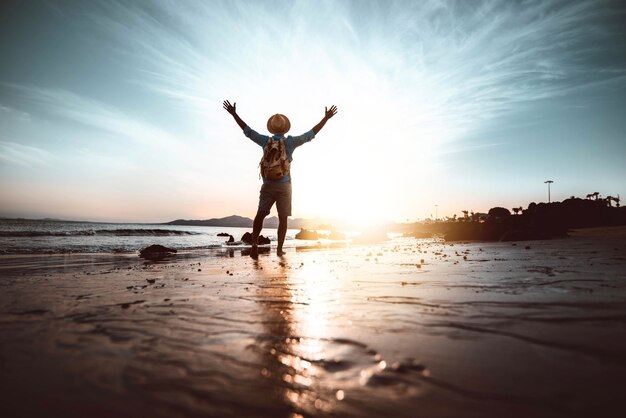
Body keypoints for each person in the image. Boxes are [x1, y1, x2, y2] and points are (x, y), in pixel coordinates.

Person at [223, 100, 338, 257]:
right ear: (285, 128)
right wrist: (326, 118)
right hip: (284, 186)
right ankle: (279, 249)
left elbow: (247, 131)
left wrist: (234, 113)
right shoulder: (290, 142)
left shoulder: (265, 141)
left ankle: (255, 244)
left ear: (272, 128)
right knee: (283, 219)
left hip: (267, 185)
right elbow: (311, 134)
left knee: (260, 215)